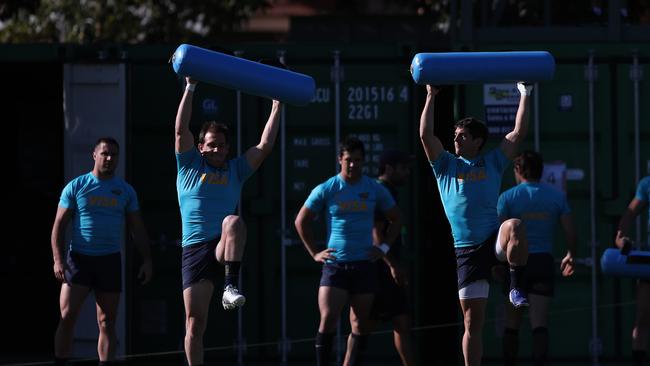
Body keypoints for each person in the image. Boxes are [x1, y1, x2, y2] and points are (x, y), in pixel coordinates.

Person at [418, 82, 532, 366]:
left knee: (515, 225)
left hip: (492, 239)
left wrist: (525, 93)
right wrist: (431, 95)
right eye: (455, 135)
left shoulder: (492, 161)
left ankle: (515, 285)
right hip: (466, 250)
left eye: (462, 136)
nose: (456, 140)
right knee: (472, 323)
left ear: (478, 141)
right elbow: (425, 134)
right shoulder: (445, 165)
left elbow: (518, 133)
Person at [175, 77, 281, 366]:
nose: (220, 150)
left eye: (223, 145)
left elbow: (264, 146)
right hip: (195, 249)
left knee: (233, 221)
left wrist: (277, 104)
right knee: (195, 325)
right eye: (213, 145)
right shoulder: (188, 165)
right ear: (201, 147)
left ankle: (230, 286)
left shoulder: (235, 170)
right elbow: (180, 129)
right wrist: (190, 87)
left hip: (222, 246)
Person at [294, 137, 401, 366]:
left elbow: (396, 218)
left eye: (358, 160)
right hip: (335, 266)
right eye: (349, 160)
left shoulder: (373, 188)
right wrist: (315, 253)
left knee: (360, 325)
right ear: (340, 160)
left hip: (364, 265)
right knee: (328, 319)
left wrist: (382, 248)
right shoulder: (328, 188)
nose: (353, 165)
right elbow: (301, 221)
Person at [51, 137, 153, 366]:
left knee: (107, 321)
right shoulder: (76, 186)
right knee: (67, 317)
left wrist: (147, 260)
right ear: (94, 155)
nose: (109, 158)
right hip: (78, 259)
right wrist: (58, 260)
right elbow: (59, 224)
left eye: (114, 155)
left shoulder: (126, 191)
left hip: (108, 261)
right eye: (105, 153)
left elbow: (137, 227)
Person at [496, 150, 577, 366]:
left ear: (518, 170)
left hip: (515, 265)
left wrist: (497, 264)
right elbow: (570, 232)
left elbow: (500, 235)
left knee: (512, 323)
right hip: (542, 262)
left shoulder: (508, 197)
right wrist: (571, 254)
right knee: (539, 323)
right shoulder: (557, 196)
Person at [344, 149, 415, 366]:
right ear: (389, 169)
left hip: (384, 270)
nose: (408, 173)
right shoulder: (380, 192)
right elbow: (376, 233)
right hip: (377, 271)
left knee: (401, 323)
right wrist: (393, 266)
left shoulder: (389, 191)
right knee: (362, 328)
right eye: (404, 169)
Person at [615, 175, 650, 366]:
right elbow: (629, 214)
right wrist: (621, 238)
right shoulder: (647, 184)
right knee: (643, 314)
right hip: (649, 261)